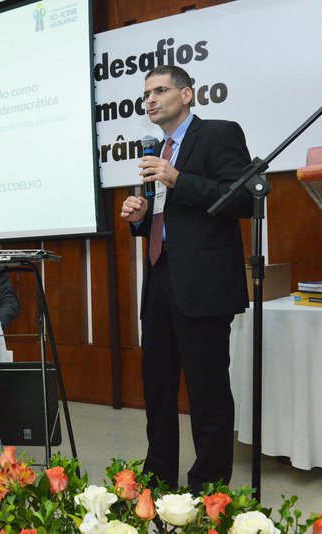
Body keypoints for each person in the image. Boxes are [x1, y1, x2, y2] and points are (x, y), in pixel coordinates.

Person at [120, 65, 253, 493]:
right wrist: (141, 218)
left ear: (187, 94)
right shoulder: (159, 149)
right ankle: (158, 476)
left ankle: (208, 487)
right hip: (160, 276)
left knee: (207, 390)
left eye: (160, 90)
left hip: (204, 283)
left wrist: (177, 178)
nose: (151, 100)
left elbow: (242, 199)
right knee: (157, 388)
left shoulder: (218, 134)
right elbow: (170, 216)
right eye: (146, 94)